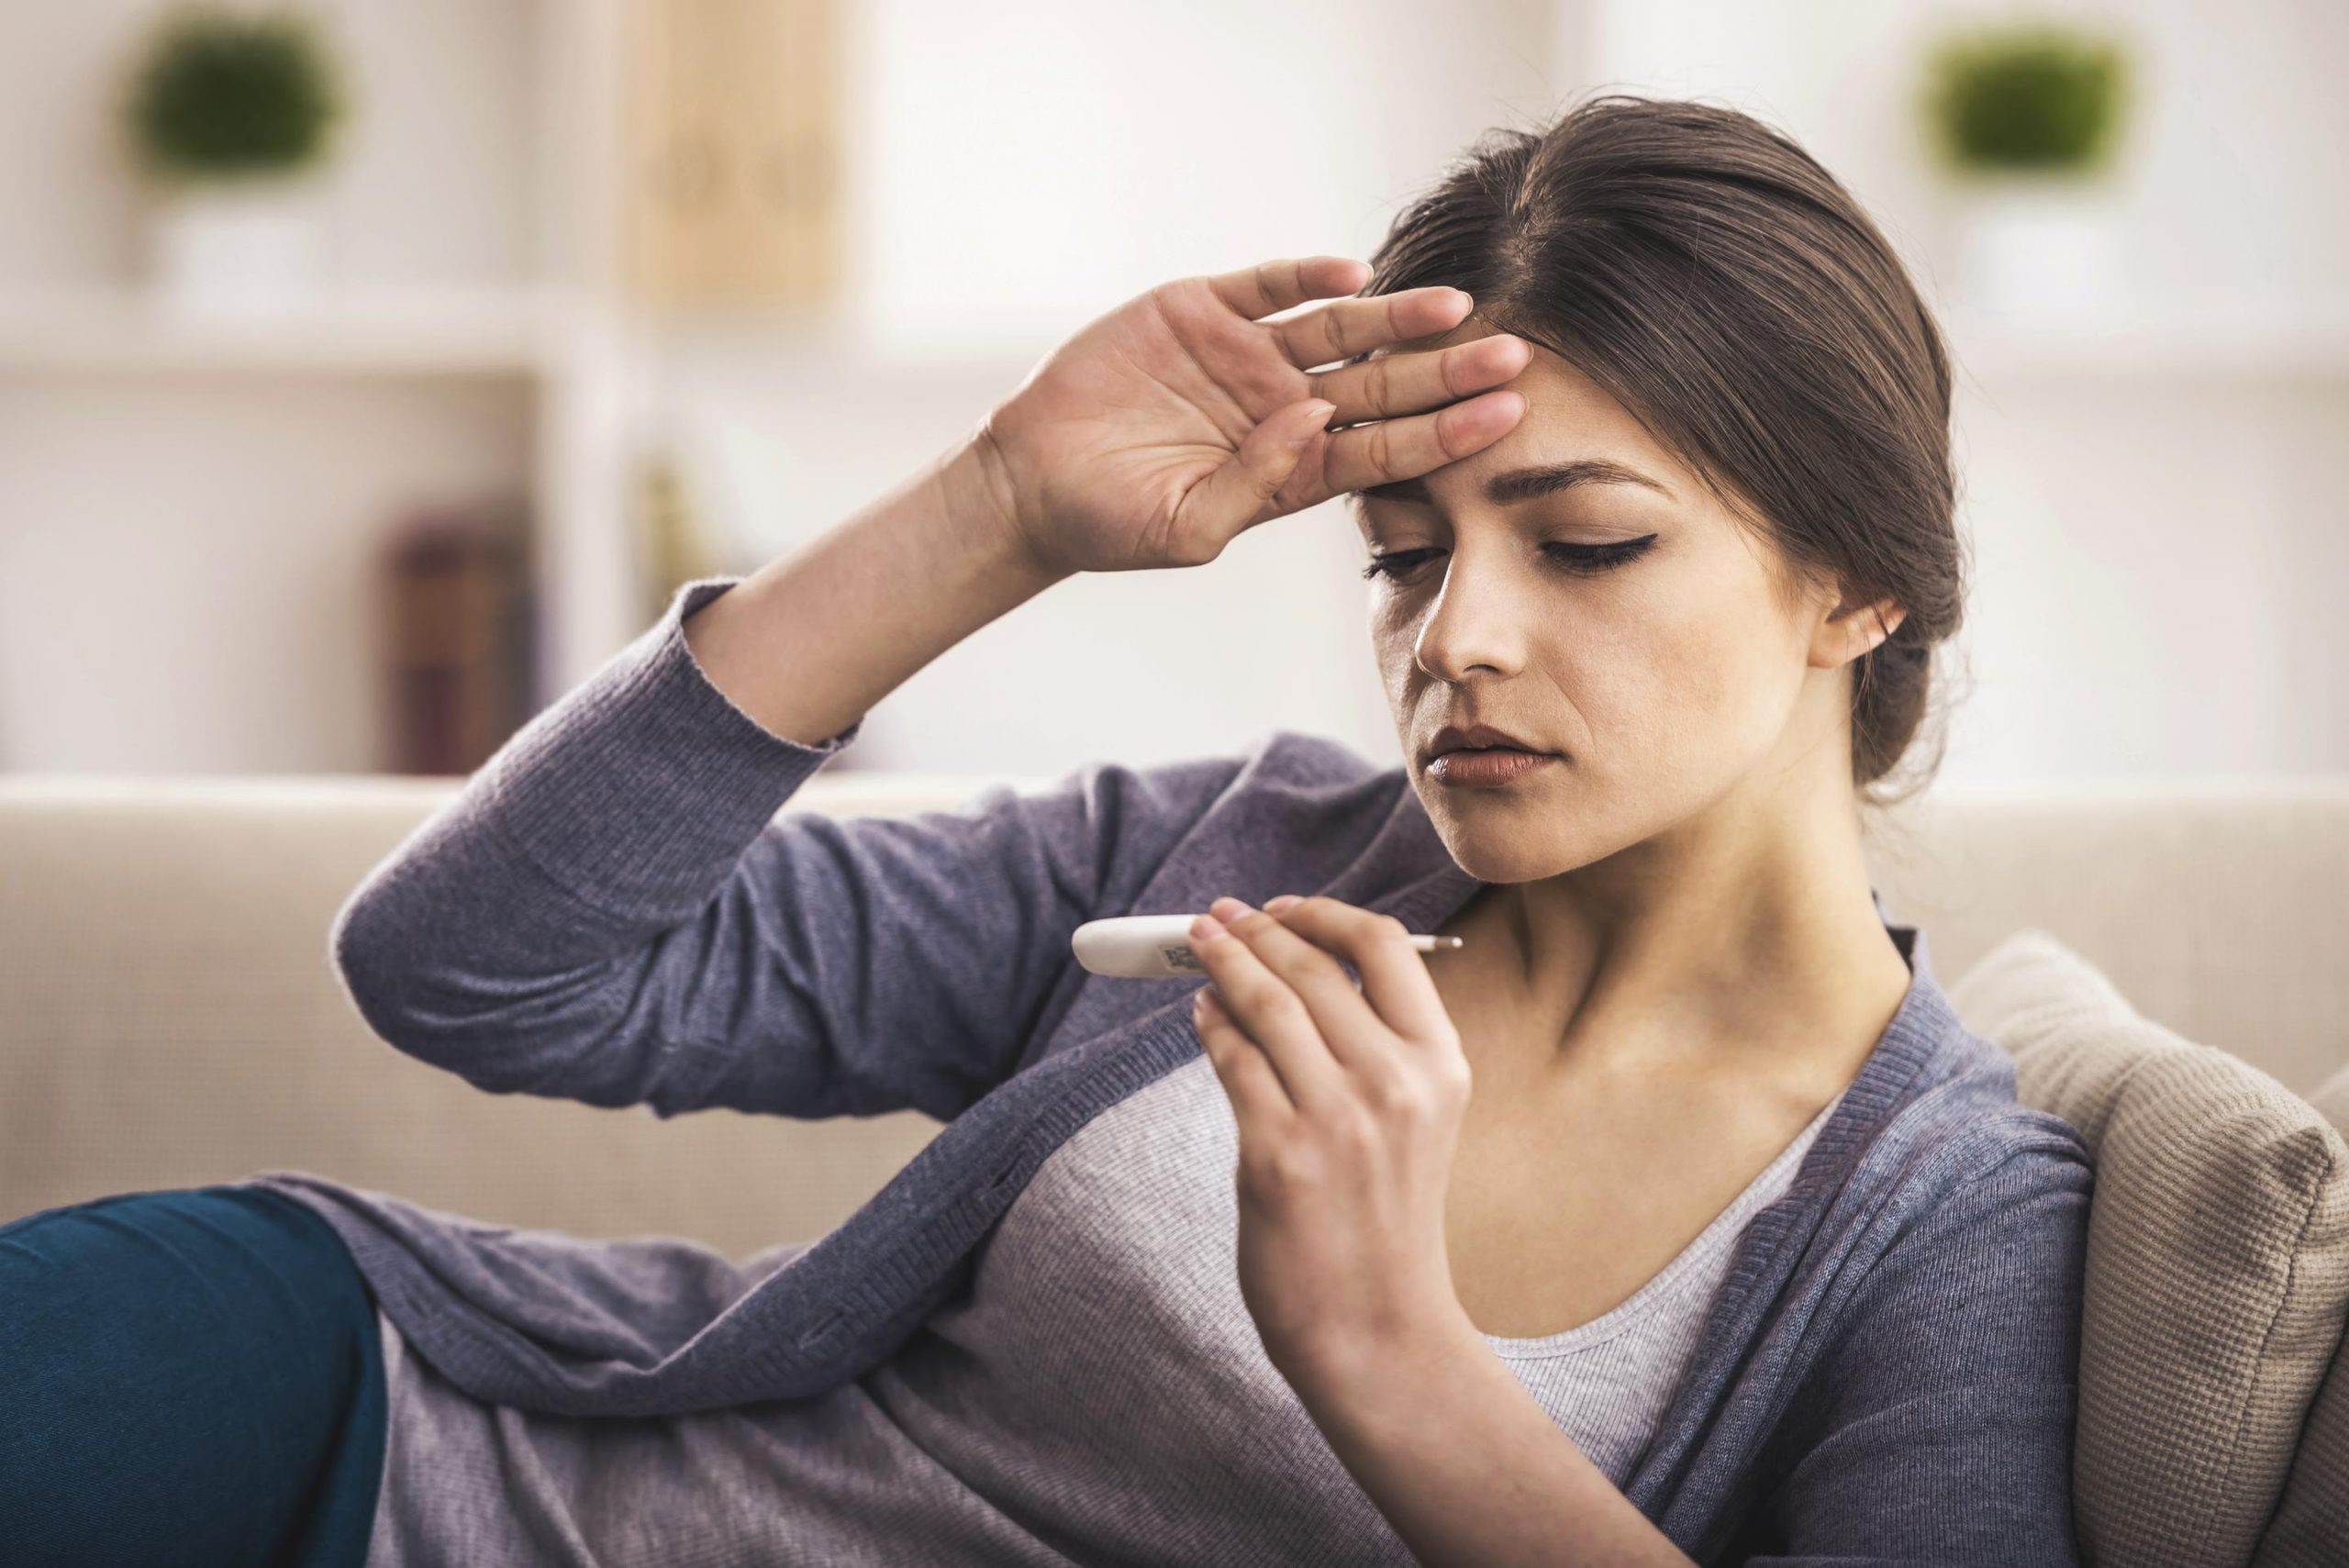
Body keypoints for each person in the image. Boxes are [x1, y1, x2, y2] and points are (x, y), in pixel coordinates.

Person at [1, 95, 2089, 1566]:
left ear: (1853, 584)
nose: (1457, 637)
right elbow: (475, 960)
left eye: (1589, 543)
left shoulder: (1941, 1211)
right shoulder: (1233, 863)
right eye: (1394, 556)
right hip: (376, 1446)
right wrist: (993, 512)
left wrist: (1383, 1350)